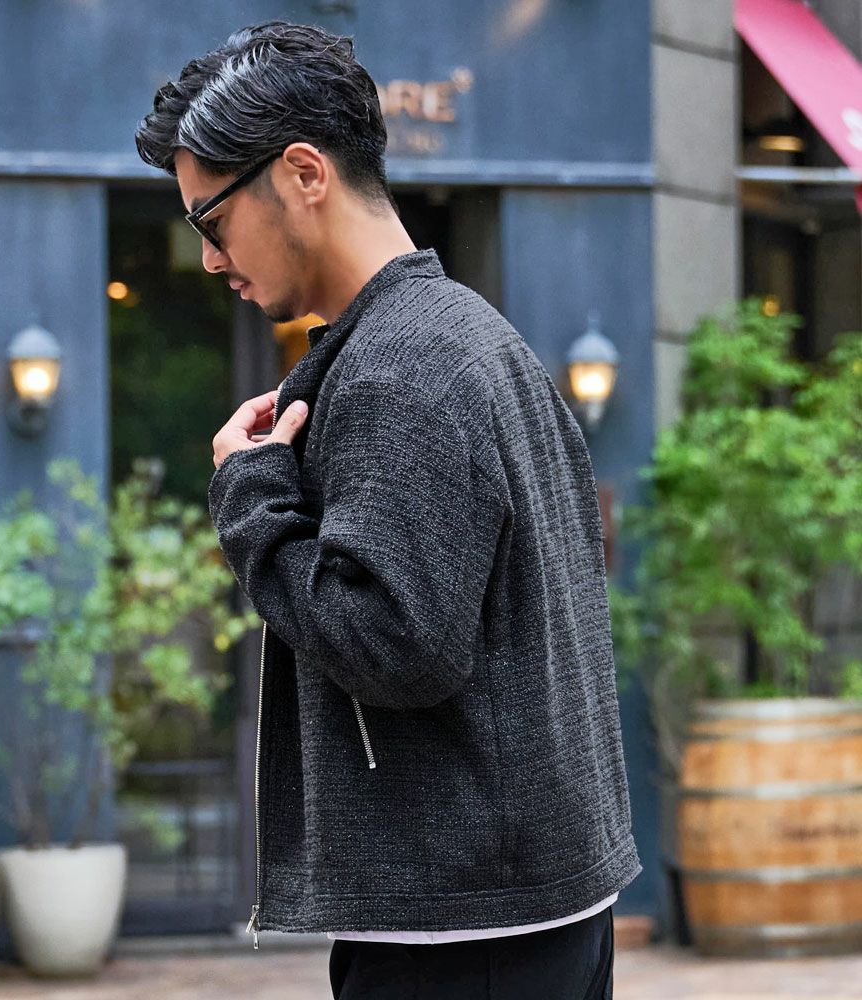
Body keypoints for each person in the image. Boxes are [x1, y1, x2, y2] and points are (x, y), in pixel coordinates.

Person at [135, 20, 640, 999]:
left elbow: (393, 645)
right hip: (521, 909)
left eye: (212, 221)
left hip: (461, 933)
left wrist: (251, 499)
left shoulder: (398, 366)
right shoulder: (467, 336)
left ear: (302, 173)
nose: (208, 259)